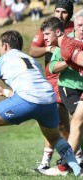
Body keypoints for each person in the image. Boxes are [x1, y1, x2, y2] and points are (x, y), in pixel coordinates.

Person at [0, 30, 83, 177]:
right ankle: (78, 170)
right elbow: (34, 89)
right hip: (49, 99)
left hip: (28, 100)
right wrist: (4, 92)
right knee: (55, 138)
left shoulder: (1, 61)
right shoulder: (32, 61)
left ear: (5, 45)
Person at [29, 0, 74, 170]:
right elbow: (33, 51)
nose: (59, 15)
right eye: (57, 11)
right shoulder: (49, 27)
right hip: (52, 79)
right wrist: (50, 49)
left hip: (70, 78)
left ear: (69, 13)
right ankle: (60, 160)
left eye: (63, 12)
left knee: (63, 121)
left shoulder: (74, 28)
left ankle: (68, 158)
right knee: (58, 122)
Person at [39, 15, 83, 176]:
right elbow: (51, 68)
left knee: (78, 123)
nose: (44, 38)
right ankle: (68, 166)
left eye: (46, 35)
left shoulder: (66, 47)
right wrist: (69, 62)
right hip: (70, 87)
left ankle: (65, 167)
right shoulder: (66, 45)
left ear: (57, 32)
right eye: (79, 25)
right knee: (78, 123)